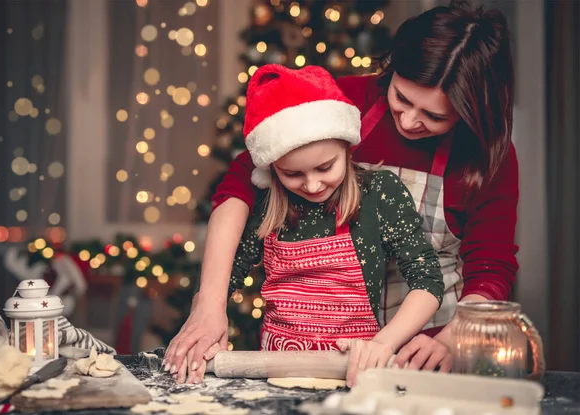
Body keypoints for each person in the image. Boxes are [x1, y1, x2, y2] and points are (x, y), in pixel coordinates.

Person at [164, 1, 517, 385]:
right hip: (328, 359)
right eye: (402, 98)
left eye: (435, 116)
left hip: (428, 352)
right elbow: (239, 187)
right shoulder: (336, 104)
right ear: (392, 68)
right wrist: (210, 303)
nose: (411, 121)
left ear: (470, 111)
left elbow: (491, 268)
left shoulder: (485, 154)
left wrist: (451, 340)